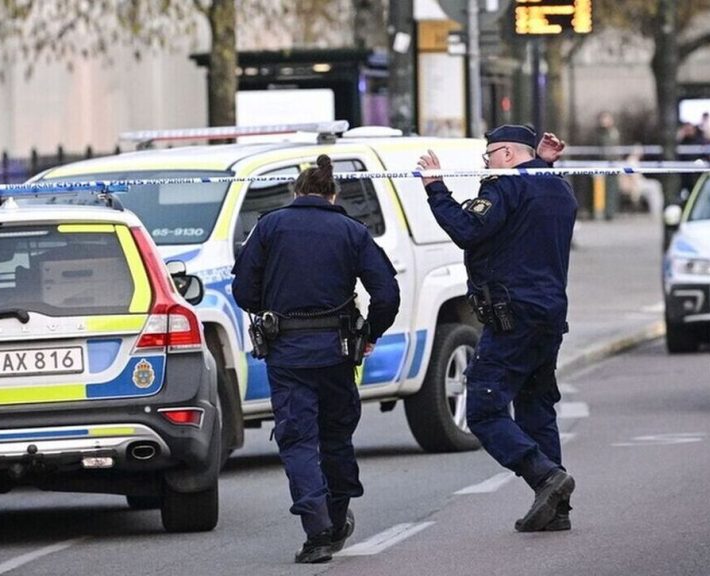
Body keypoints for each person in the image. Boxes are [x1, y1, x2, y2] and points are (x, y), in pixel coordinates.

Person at [231, 154, 400, 563]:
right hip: (339, 352)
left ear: (296, 192)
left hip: (287, 354)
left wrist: (270, 308)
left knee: (298, 440)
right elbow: (387, 294)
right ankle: (338, 516)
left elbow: (243, 291)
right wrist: (371, 333)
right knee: (337, 435)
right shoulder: (351, 229)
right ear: (333, 194)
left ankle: (318, 529)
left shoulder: (269, 226)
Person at [416, 125, 577, 533]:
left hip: (513, 316)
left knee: (484, 410)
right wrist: (541, 162)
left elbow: (468, 230)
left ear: (506, 154)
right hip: (549, 315)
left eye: (489, 157)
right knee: (536, 408)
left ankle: (544, 477)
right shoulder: (558, 187)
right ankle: (556, 509)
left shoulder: (504, 187)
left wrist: (436, 187)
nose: (486, 165)